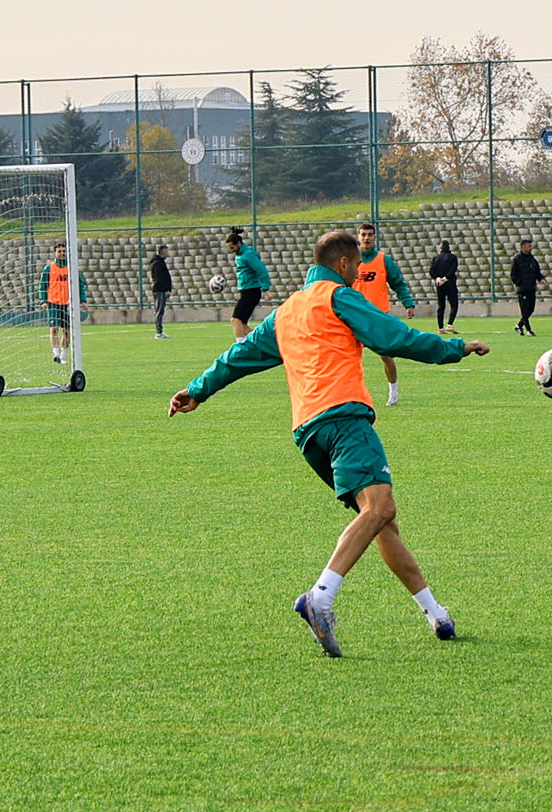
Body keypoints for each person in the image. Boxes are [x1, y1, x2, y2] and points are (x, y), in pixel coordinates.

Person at [169, 229, 488, 657]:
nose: (358, 274)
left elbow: (237, 357)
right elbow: (393, 337)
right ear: (342, 264)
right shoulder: (338, 296)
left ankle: (436, 614)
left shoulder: (285, 312)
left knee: (380, 522)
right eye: (356, 267)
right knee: (380, 509)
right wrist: (455, 348)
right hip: (343, 418)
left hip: (308, 432)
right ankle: (320, 597)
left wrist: (197, 389)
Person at [354, 222, 420, 405]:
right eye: (363, 234)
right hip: (354, 316)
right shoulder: (351, 260)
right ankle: (350, 394)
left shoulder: (383, 260)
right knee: (348, 356)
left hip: (378, 316)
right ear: (358, 237)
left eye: (370, 234)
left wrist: (408, 303)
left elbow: (398, 283)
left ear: (375, 237)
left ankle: (393, 393)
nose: (366, 238)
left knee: (386, 355)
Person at [228, 228, 272, 342]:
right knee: (242, 324)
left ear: (239, 243)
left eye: (232, 248)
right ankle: (263, 343)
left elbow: (261, 270)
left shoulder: (248, 254)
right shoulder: (240, 255)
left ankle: (240, 346)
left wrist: (266, 289)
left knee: (236, 320)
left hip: (251, 292)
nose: (232, 251)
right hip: (246, 291)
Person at [47, 246, 77, 365]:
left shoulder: (71, 268)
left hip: (67, 303)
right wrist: (43, 300)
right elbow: (43, 285)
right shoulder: (49, 268)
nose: (62, 253)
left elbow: (79, 284)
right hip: (53, 302)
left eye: (64, 251)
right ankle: (56, 354)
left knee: (66, 330)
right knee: (54, 329)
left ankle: (63, 356)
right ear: (55, 253)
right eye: (59, 251)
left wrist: (83, 300)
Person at [508, 239, 542, 335]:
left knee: (531, 309)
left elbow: (537, 272)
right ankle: (528, 330)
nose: (531, 248)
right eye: (529, 246)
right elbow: (513, 274)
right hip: (522, 289)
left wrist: (541, 279)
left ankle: (519, 325)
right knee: (525, 310)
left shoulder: (532, 259)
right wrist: (519, 282)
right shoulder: (517, 260)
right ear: (523, 247)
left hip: (531, 287)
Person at [429, 240, 462, 330]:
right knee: (454, 305)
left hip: (439, 284)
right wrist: (445, 278)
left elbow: (431, 270)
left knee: (441, 306)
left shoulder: (436, 258)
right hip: (450, 283)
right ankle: (449, 325)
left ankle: (440, 328)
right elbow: (453, 269)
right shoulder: (453, 257)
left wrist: (437, 278)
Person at [147, 248, 173, 338]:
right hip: (159, 290)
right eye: (167, 252)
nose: (168, 254)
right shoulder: (157, 264)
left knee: (160, 310)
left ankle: (160, 331)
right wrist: (166, 289)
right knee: (159, 311)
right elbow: (159, 279)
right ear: (163, 252)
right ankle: (159, 332)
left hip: (161, 290)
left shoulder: (160, 262)